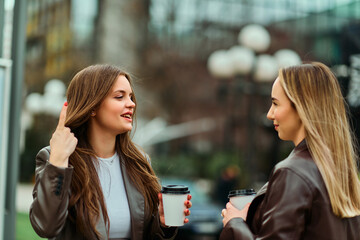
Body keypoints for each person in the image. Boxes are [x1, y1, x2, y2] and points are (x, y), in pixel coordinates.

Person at [29, 64, 192, 240]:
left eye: (130, 97)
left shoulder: (138, 161)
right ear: (92, 106)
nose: (131, 104)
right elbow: (46, 226)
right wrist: (59, 160)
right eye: (119, 97)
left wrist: (161, 223)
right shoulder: (55, 158)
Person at [220, 62, 360, 239]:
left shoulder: (292, 172)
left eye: (276, 104)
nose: (270, 114)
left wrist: (235, 223)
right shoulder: (341, 172)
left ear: (302, 107)